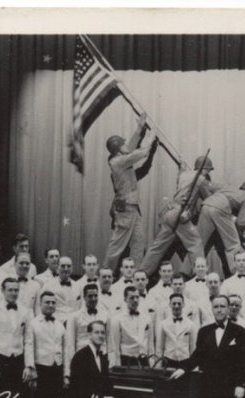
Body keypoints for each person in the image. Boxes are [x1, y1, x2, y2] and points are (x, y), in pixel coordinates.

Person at [140, 156, 215, 276]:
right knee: (195, 244)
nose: (208, 173)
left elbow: (181, 183)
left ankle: (141, 273)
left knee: (157, 248)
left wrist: (181, 167)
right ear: (205, 169)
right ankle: (200, 277)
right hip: (181, 215)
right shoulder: (201, 179)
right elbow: (209, 199)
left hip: (169, 213)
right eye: (208, 170)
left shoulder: (183, 175)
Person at [103, 113, 157, 271]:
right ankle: (106, 274)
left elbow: (130, 148)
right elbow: (141, 152)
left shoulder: (119, 158)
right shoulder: (118, 161)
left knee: (138, 244)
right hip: (127, 208)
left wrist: (139, 128)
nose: (125, 146)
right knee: (117, 246)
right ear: (118, 149)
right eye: (122, 144)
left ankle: (135, 277)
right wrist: (151, 135)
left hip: (131, 208)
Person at [25, 291, 68, 398]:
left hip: (56, 368)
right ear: (40, 304)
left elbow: (65, 349)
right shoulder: (33, 323)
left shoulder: (60, 324)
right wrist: (31, 370)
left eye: (53, 302)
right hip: (40, 368)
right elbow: (29, 346)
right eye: (47, 302)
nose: (50, 305)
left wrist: (65, 374)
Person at [198, 180, 245, 275]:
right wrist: (239, 233)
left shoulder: (226, 186)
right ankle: (237, 273)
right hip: (221, 210)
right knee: (233, 245)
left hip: (206, 206)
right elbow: (240, 223)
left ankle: (186, 274)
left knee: (199, 245)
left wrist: (213, 200)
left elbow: (203, 184)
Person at [108, 286, 155, 367]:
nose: (135, 300)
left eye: (137, 297)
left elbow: (150, 344)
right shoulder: (117, 320)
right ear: (125, 299)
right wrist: (117, 366)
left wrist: (152, 363)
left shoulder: (147, 318)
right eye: (132, 298)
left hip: (144, 360)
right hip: (126, 360)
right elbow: (115, 346)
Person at [156, 293, 198, 369]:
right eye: (174, 303)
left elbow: (193, 347)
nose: (176, 306)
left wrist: (193, 366)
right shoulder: (163, 324)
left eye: (179, 303)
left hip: (185, 361)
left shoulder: (191, 325)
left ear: (183, 305)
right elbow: (159, 347)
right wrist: (159, 365)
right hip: (168, 361)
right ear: (169, 305)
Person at [68, 283, 109, 354]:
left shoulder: (105, 315)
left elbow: (109, 340)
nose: (93, 299)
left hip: (101, 354)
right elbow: (70, 344)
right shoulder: (74, 316)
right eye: (90, 296)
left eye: (95, 296)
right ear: (84, 297)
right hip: (82, 356)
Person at [42, 256, 78, 323]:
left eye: (68, 266)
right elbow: (42, 306)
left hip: (74, 322)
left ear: (72, 268)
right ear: (58, 267)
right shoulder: (48, 285)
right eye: (63, 266)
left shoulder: (78, 286)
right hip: (55, 322)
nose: (66, 268)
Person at [14, 252, 42, 317]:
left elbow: (38, 309)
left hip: (30, 322)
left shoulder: (36, 285)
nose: (24, 266)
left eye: (27, 263)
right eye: (21, 263)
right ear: (15, 264)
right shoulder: (8, 283)